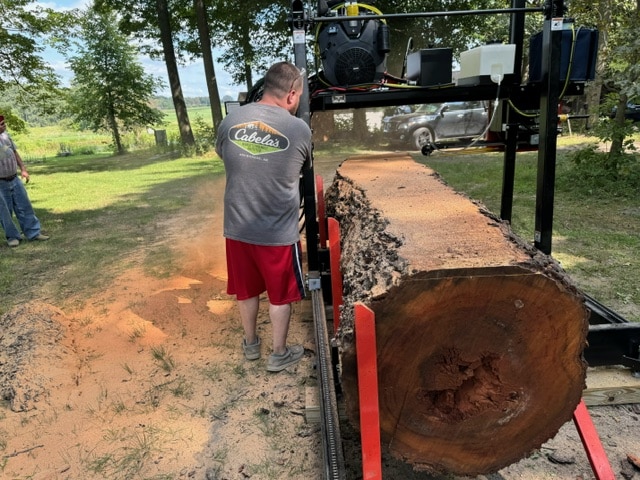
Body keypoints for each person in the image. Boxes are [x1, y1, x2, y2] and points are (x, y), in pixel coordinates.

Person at [215, 61, 311, 372]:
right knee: (280, 296)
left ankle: (251, 344)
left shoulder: (231, 120)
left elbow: (223, 154)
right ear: (292, 94)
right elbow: (305, 168)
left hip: (237, 227)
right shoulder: (298, 129)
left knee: (246, 290)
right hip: (278, 232)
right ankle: (279, 354)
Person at [0, 116, 49, 247]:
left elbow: (14, 153)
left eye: (4, 123)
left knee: (25, 206)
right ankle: (13, 237)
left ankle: (33, 232)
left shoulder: (6, 136)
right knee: (5, 212)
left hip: (14, 178)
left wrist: (23, 169)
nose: (4, 125)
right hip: (1, 182)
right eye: (1, 124)